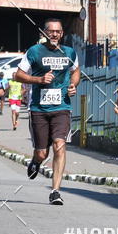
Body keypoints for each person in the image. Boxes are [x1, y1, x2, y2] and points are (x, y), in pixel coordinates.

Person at [14, 18, 80, 206]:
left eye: (58, 31)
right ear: (44, 33)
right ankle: (36, 161)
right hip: (39, 109)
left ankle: (55, 191)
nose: (54, 34)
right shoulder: (34, 52)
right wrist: (39, 80)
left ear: (62, 34)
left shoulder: (69, 52)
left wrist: (73, 84)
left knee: (60, 145)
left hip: (62, 108)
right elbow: (18, 75)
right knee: (42, 153)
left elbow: (76, 71)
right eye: (51, 31)